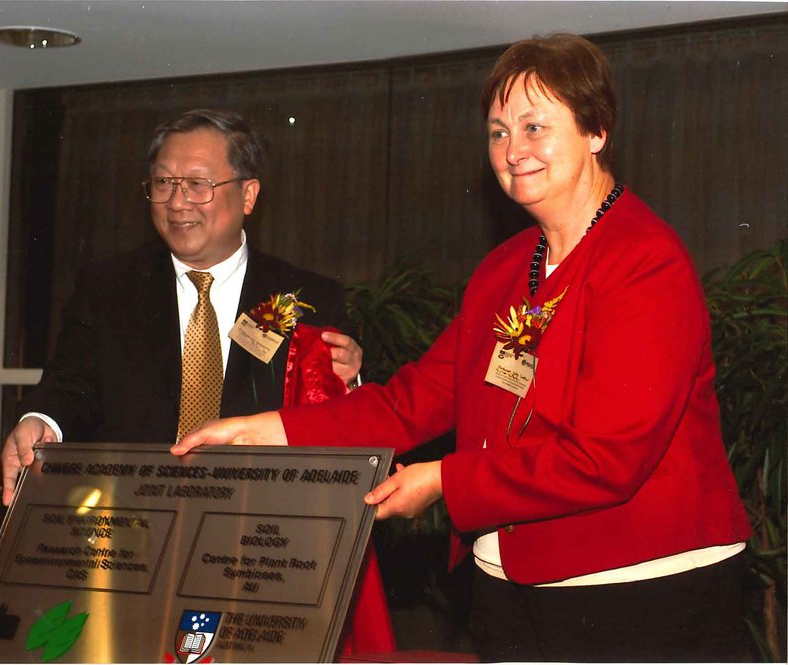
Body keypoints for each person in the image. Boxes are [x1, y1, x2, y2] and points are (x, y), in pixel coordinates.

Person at [173, 35, 753, 662]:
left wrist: (444, 479)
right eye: (499, 132)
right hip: (510, 581)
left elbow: (604, 457)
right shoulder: (506, 270)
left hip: (639, 586)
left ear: (596, 131)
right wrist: (266, 431)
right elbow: (417, 400)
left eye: (536, 127)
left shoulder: (644, 262)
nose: (514, 150)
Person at [0, 109, 394, 655]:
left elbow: (333, 427)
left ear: (248, 195)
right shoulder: (107, 289)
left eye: (198, 184)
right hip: (130, 551)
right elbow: (72, 384)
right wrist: (37, 421)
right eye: (163, 182)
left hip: (254, 556)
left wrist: (349, 382)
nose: (177, 200)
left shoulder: (308, 298)